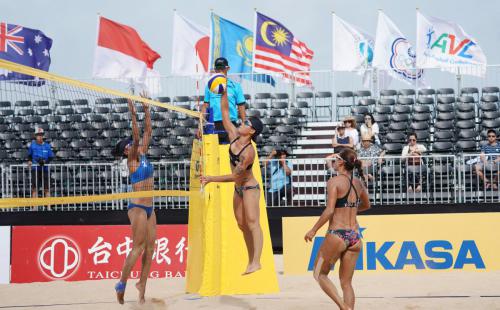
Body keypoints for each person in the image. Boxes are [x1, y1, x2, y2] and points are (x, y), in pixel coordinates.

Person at [201, 87, 264, 275]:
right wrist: (224, 93)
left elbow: (236, 176)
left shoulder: (249, 153)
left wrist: (211, 178)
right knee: (241, 224)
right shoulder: (234, 135)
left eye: (246, 122)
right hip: (238, 189)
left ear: (251, 131)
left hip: (249, 187)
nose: (242, 122)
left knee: (253, 222)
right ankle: (250, 259)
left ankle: (256, 261)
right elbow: (226, 113)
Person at [304, 148, 370, 310]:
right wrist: (351, 210)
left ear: (341, 162)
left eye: (335, 158)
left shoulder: (334, 182)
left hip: (337, 234)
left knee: (319, 274)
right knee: (346, 283)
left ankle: (343, 307)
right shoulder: (358, 183)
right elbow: (367, 205)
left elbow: (330, 210)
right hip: (354, 236)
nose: (333, 160)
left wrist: (313, 230)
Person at [112, 96, 155, 305]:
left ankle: (142, 287)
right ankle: (121, 283)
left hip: (150, 207)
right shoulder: (132, 159)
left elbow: (148, 132)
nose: (131, 145)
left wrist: (146, 109)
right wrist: (132, 109)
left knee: (150, 249)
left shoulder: (142, 153)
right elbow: (137, 135)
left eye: (130, 144)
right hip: (137, 207)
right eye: (128, 145)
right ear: (126, 152)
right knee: (137, 248)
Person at [201, 57, 247, 144]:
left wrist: (244, 123)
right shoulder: (209, 86)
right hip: (214, 124)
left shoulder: (235, 86)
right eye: (218, 69)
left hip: (231, 124)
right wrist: (201, 124)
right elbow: (206, 105)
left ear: (227, 68)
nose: (220, 71)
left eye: (222, 68)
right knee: (214, 154)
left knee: (231, 153)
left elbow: (241, 106)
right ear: (215, 70)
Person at [28, 128, 54, 200]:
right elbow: (29, 155)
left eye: (41, 135)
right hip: (35, 169)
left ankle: (48, 207)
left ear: (43, 136)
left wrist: (45, 162)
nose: (40, 137)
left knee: (47, 188)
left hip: (45, 169)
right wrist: (29, 161)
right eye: (38, 135)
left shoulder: (47, 146)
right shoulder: (32, 145)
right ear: (35, 136)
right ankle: (34, 207)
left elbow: (51, 157)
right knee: (34, 188)